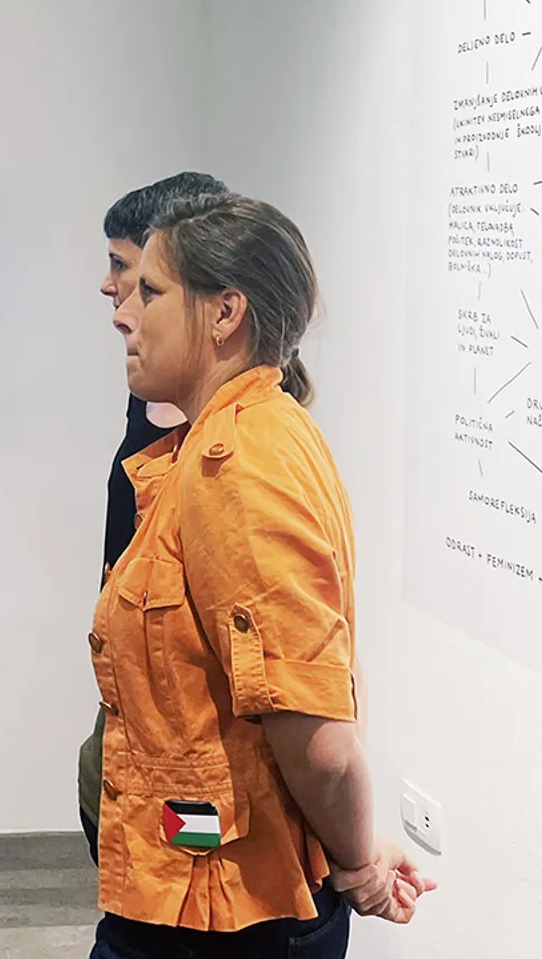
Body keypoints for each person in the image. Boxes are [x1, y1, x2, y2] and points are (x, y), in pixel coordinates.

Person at [91, 194, 431, 958]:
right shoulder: (241, 438)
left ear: (225, 312)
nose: (124, 314)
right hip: (202, 889)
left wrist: (359, 863)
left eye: (151, 291)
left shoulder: (239, 467)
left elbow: (321, 741)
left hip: (226, 917)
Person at [77, 171, 226, 862]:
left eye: (131, 273)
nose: (112, 295)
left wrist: (356, 850)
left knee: (178, 874)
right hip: (139, 722)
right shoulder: (155, 393)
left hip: (187, 755)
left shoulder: (239, 449)